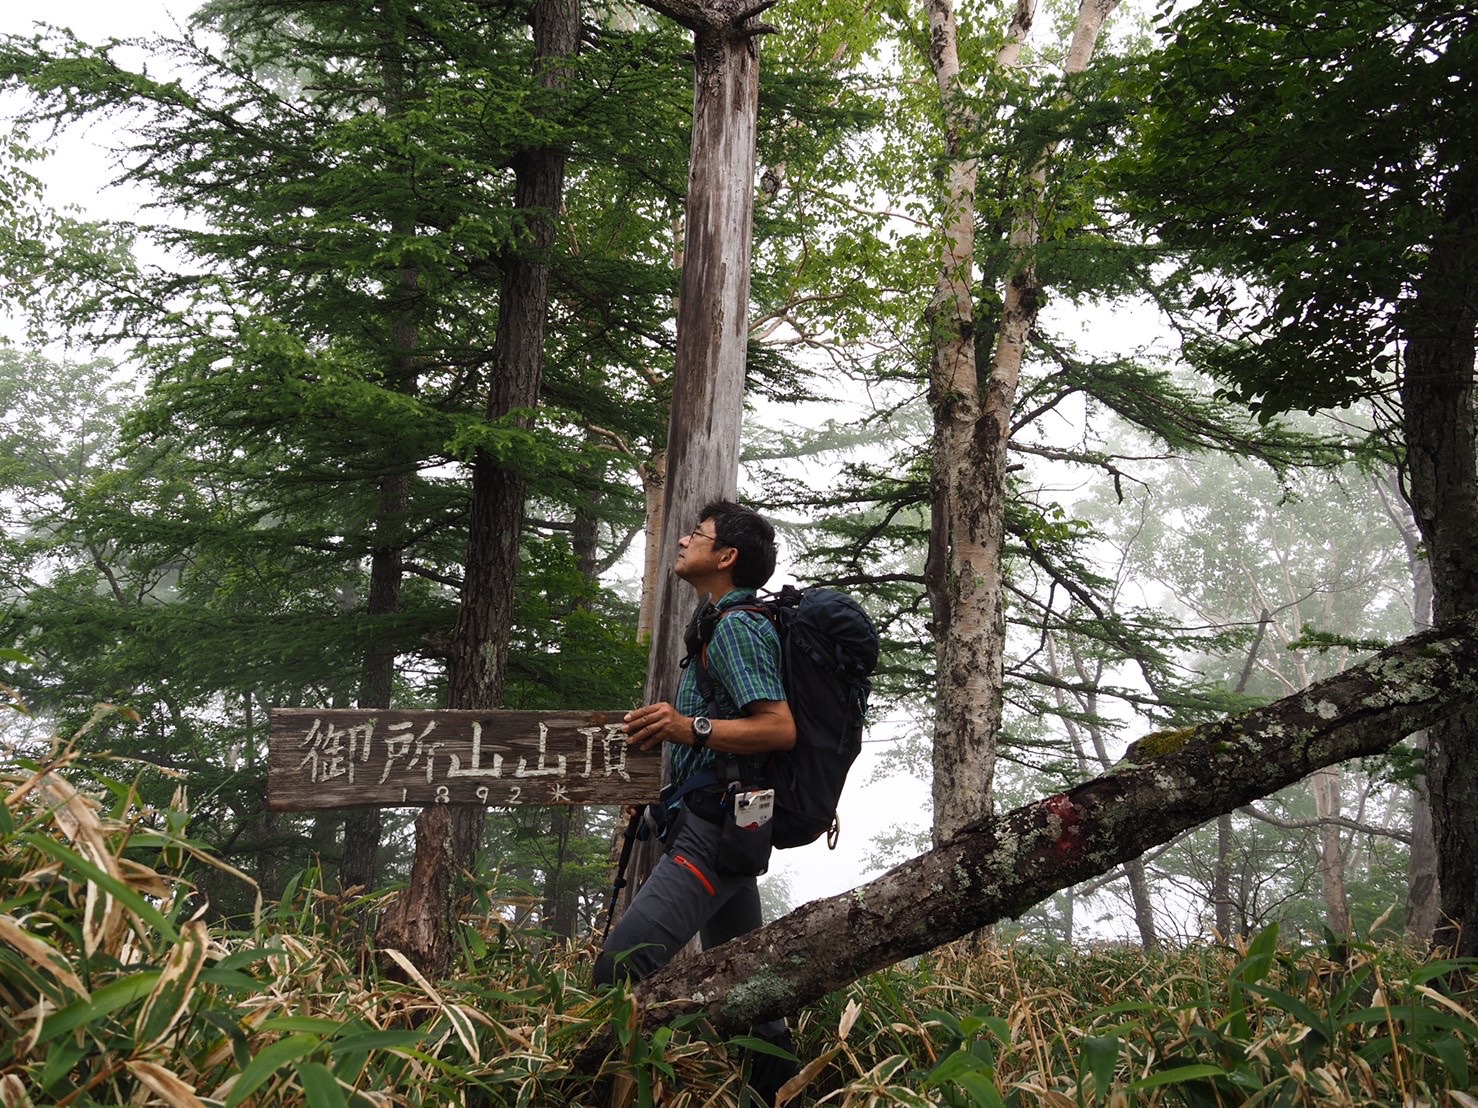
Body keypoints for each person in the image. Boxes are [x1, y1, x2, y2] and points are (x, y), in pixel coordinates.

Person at [594, 499, 799, 1103]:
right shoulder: (716, 624)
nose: (682, 541)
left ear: (726, 556)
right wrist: (659, 794)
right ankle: (780, 1093)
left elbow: (778, 727)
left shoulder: (737, 627)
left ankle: (615, 1089)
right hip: (720, 821)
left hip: (716, 830)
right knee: (750, 989)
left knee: (620, 967)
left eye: (696, 534)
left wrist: (690, 728)